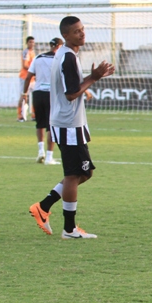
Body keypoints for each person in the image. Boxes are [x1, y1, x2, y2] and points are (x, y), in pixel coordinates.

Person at [29, 16, 114, 239]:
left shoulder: (68, 55)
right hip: (68, 123)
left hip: (69, 122)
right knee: (75, 173)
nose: (82, 34)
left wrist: (94, 76)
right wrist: (94, 77)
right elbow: (71, 94)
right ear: (65, 35)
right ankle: (69, 229)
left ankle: (44, 206)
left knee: (84, 172)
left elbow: (74, 87)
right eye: (76, 31)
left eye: (83, 29)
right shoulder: (67, 57)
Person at [22, 37, 63, 165]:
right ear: (60, 46)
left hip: (38, 93)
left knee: (39, 123)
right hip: (52, 95)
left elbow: (28, 77)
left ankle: (41, 152)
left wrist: (24, 93)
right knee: (52, 126)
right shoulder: (59, 59)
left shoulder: (38, 58)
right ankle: (49, 157)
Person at [17, 36, 35, 121]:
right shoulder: (26, 52)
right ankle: (20, 115)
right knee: (24, 95)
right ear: (27, 43)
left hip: (32, 78)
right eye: (30, 42)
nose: (32, 43)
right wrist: (34, 70)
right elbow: (25, 65)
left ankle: (34, 114)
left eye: (33, 42)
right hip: (25, 77)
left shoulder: (33, 52)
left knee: (36, 95)